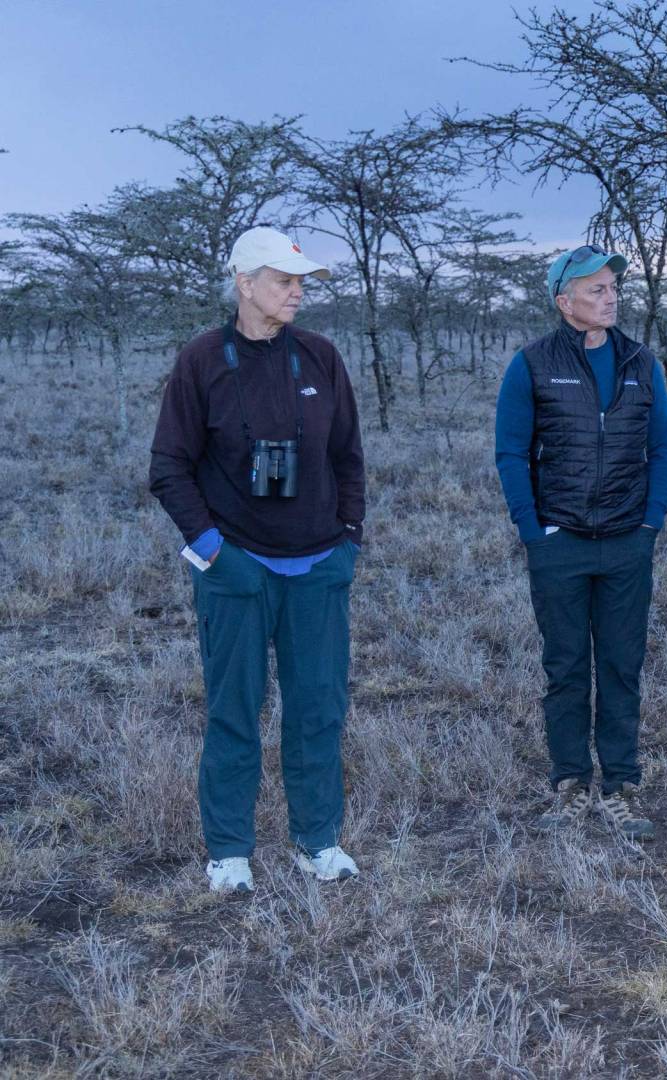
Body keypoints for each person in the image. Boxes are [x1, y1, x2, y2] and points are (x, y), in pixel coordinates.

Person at [150, 226, 365, 894]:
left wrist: (347, 538)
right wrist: (214, 550)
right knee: (234, 709)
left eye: (300, 282)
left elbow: (348, 457)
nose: (296, 292)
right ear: (245, 283)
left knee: (318, 707)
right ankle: (229, 850)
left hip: (317, 566)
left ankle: (318, 841)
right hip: (237, 565)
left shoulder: (322, 357)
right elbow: (169, 468)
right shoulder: (203, 360)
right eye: (282, 281)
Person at [494, 244, 667, 842]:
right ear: (563, 300)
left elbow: (662, 447)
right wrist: (533, 530)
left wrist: (651, 521)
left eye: (611, 288)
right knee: (566, 667)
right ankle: (570, 783)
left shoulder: (641, 361)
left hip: (627, 541)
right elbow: (510, 452)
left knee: (622, 667)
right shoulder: (532, 363)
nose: (609, 297)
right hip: (560, 542)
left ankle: (621, 785)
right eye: (595, 289)